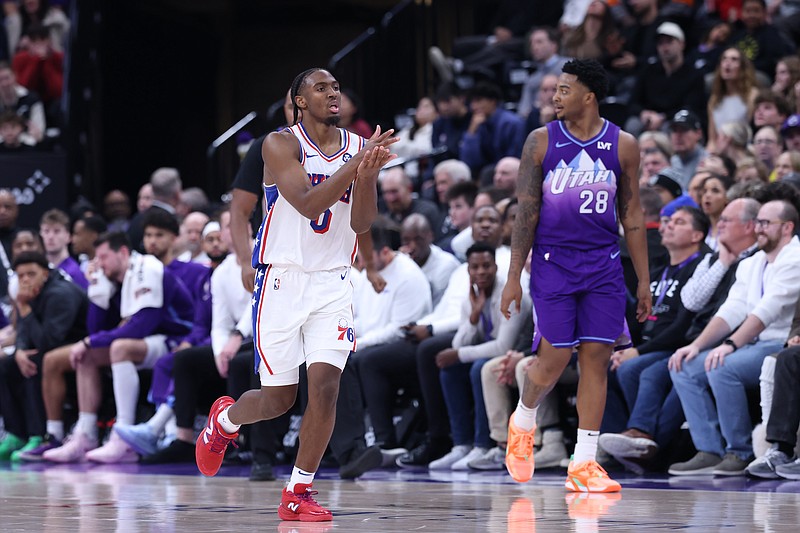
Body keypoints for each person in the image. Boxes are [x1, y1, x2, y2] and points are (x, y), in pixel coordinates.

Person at [194, 68, 397, 523]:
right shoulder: (278, 144)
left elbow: (362, 222)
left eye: (336, 88)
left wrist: (366, 175)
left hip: (332, 282)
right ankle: (224, 422)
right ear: (299, 101)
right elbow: (308, 204)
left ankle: (297, 490)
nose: (332, 94)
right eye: (321, 88)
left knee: (325, 387)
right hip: (282, 281)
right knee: (278, 399)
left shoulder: (357, 147)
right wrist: (357, 164)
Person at [500, 59, 651, 493]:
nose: (555, 96)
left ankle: (583, 463)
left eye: (564, 90)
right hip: (553, 261)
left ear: (589, 95)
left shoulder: (623, 145)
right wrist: (513, 277)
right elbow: (526, 214)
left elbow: (633, 215)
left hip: (604, 264)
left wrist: (642, 279)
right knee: (554, 357)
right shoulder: (540, 141)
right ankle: (524, 419)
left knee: (597, 361)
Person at [668, 200, 800, 476]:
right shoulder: (751, 263)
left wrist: (730, 345)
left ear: (787, 227)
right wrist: (695, 345)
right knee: (683, 366)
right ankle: (709, 450)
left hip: (778, 343)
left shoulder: (795, 257)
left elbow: (767, 310)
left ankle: (738, 452)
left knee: (721, 367)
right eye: (758, 222)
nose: (758, 229)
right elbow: (731, 309)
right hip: (750, 343)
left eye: (766, 223)